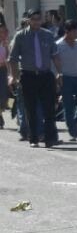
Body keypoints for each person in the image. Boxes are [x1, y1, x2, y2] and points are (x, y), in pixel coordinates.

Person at [6, 9, 59, 147]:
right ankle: (34, 138)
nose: (36, 21)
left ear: (41, 20)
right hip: (28, 76)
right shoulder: (20, 36)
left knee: (49, 109)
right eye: (33, 19)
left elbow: (55, 55)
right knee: (31, 109)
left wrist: (60, 73)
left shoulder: (48, 35)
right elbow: (12, 58)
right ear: (28, 20)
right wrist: (14, 76)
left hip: (46, 75)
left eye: (38, 18)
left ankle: (49, 138)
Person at [55, 19, 77, 143]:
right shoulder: (59, 45)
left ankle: (76, 122)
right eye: (74, 31)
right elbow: (55, 62)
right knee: (68, 106)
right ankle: (72, 129)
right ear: (67, 31)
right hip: (65, 78)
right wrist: (57, 75)